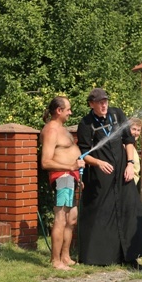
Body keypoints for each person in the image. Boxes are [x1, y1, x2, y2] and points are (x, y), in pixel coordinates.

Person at [77, 88, 142, 268]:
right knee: (102, 213)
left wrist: (129, 163)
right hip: (100, 176)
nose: (103, 105)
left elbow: (129, 140)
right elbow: (83, 153)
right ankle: (101, 258)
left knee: (128, 211)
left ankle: (131, 256)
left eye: (105, 101)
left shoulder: (117, 114)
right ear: (91, 104)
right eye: (99, 102)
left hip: (122, 171)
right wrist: (98, 163)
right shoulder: (86, 123)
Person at [40, 96, 86, 270]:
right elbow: (46, 162)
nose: (70, 112)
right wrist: (71, 166)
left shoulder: (62, 128)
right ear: (59, 111)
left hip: (70, 177)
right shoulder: (52, 130)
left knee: (71, 218)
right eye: (68, 109)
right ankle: (55, 261)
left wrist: (76, 174)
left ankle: (65, 257)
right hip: (62, 177)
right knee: (61, 217)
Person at [129, 117, 142, 188]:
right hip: (127, 185)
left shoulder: (132, 146)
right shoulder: (125, 146)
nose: (136, 133)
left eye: (138, 130)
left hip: (132, 184)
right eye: (133, 129)